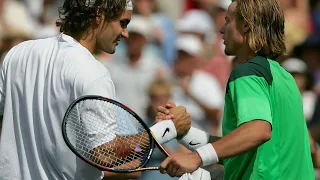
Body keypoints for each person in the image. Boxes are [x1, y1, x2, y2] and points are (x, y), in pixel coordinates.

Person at [0, 0, 191, 180]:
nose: (125, 33)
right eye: (123, 23)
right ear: (99, 16)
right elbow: (104, 153)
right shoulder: (94, 72)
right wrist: (166, 130)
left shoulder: (18, 53)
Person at [157, 0, 315, 179]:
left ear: (246, 25)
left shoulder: (247, 72)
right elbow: (242, 150)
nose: (222, 29)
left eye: (227, 20)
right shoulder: (285, 77)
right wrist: (184, 133)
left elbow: (258, 130)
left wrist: (196, 157)